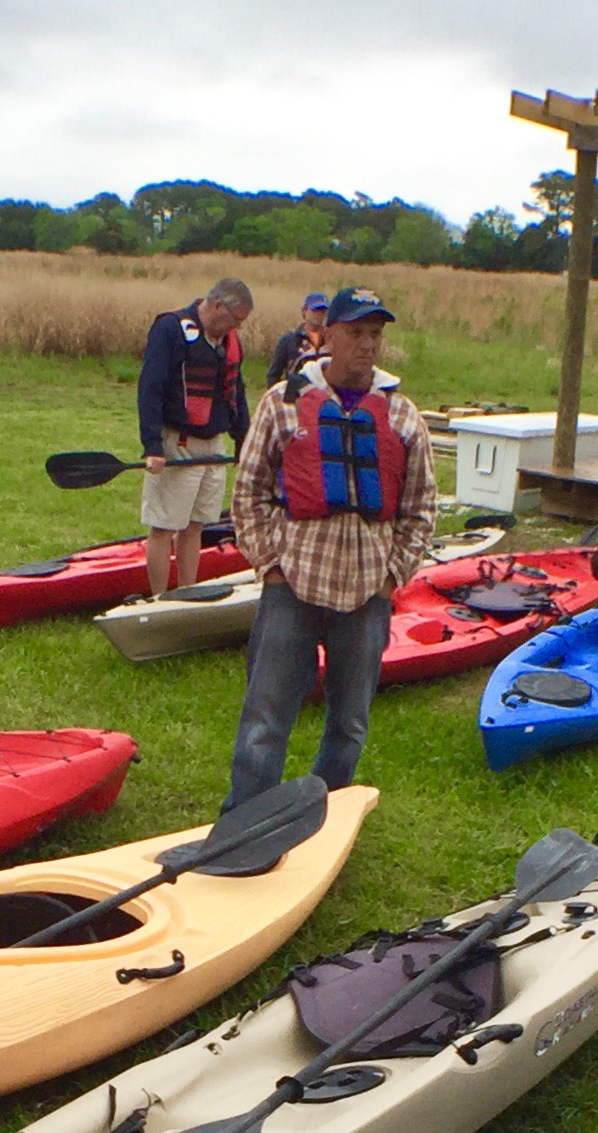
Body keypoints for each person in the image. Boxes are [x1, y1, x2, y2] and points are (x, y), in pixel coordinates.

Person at [225, 286, 437, 807]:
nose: (367, 345)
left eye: (375, 334)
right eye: (356, 333)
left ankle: (321, 811)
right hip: (293, 583)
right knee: (265, 719)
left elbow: (421, 507)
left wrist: (392, 578)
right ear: (328, 337)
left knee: (349, 723)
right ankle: (244, 820)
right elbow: (249, 491)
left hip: (367, 591)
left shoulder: (404, 416)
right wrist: (270, 565)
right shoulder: (284, 403)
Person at [138, 278, 254, 593]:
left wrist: (243, 440)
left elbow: (236, 393)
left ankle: (187, 592)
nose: (238, 328)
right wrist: (152, 445)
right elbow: (151, 388)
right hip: (179, 441)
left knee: (196, 524)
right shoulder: (170, 329)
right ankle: (161, 598)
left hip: (213, 445)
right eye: (236, 319)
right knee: (164, 526)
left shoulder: (228, 341)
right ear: (217, 306)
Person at [267, 291, 329, 387]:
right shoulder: (289, 340)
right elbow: (273, 376)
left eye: (322, 311)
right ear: (304, 311)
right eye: (314, 310)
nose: (318, 315)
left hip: (326, 396)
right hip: (298, 396)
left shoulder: (332, 340)